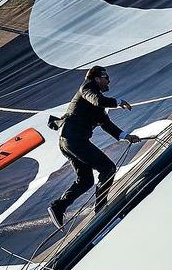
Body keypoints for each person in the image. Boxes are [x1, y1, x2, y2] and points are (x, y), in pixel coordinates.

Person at [47, 66, 139, 228]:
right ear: (97, 78)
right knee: (108, 168)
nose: (109, 80)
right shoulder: (87, 88)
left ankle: (58, 206)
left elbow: (107, 125)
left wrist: (127, 137)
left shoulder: (96, 103)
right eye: (106, 77)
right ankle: (101, 209)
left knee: (86, 180)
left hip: (69, 141)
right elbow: (97, 100)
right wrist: (118, 102)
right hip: (74, 140)